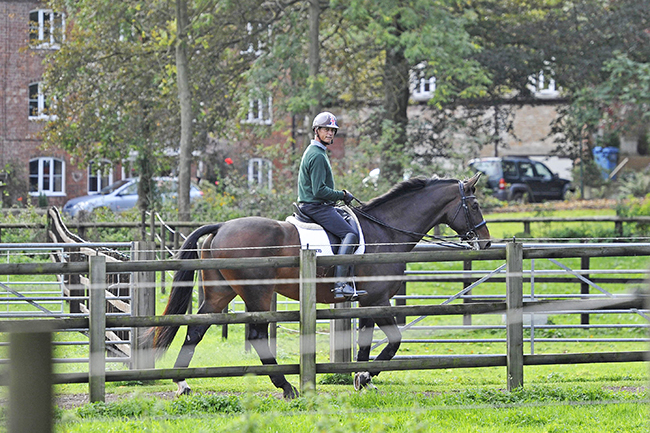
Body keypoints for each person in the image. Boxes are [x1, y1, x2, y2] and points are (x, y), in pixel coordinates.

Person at [297, 111, 366, 300]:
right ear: (316, 131)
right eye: (326, 129)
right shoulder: (317, 155)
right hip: (316, 206)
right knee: (350, 234)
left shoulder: (317, 152)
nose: (330, 133)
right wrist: (342, 195)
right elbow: (319, 190)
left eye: (332, 130)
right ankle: (341, 284)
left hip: (316, 205)